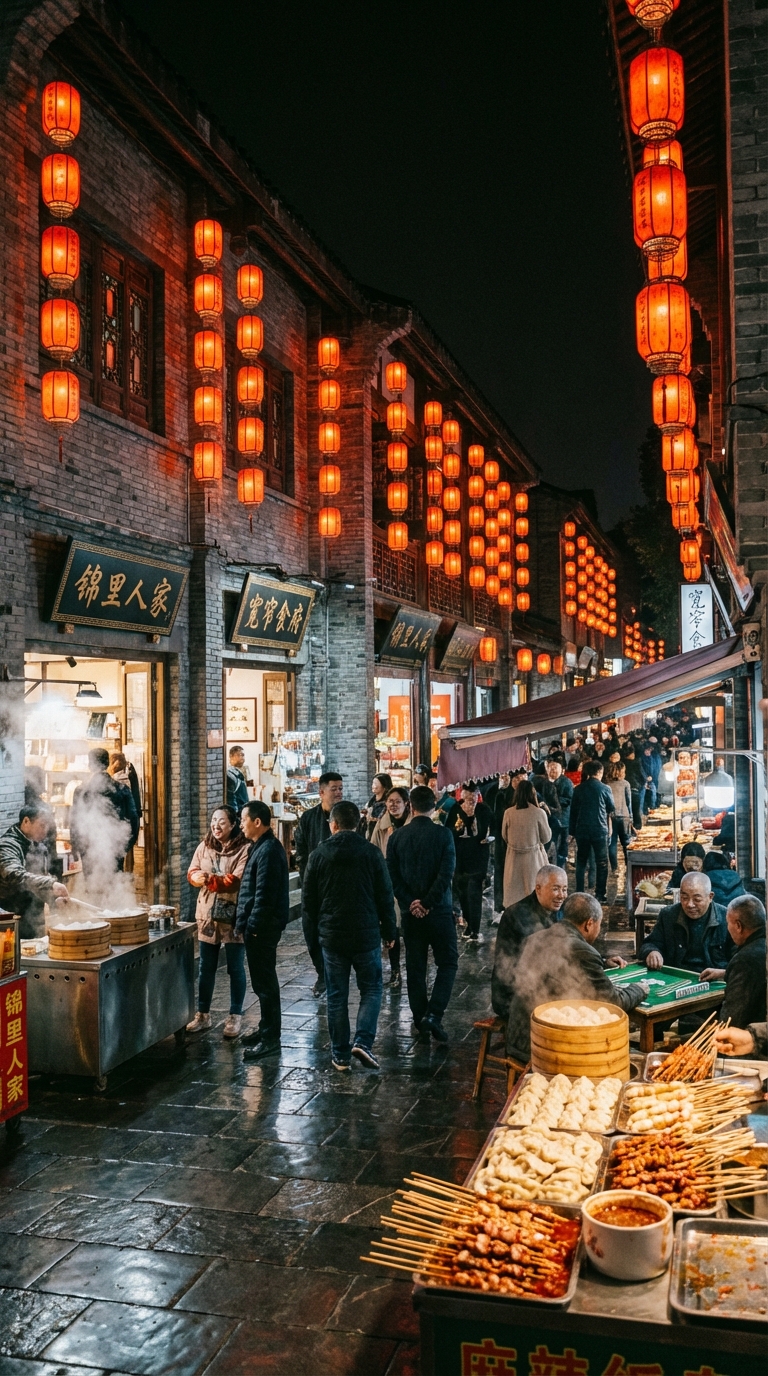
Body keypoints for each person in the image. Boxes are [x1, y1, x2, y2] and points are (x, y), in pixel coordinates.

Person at [302, 800, 396, 1071]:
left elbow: (308, 902)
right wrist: (390, 931)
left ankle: (340, 1055)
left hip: (332, 937)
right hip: (366, 934)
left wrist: (318, 933)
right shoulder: (371, 853)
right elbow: (384, 896)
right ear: (359, 824)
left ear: (333, 824)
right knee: (371, 988)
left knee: (336, 995)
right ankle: (363, 1042)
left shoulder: (318, 855)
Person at [504, 894, 649, 1061]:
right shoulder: (583, 951)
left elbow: (558, 964)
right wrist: (638, 989)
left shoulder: (536, 937)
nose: (599, 929)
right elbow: (612, 1002)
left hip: (517, 1038)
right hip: (542, 1045)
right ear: (589, 924)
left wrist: (602, 962)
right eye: (599, 924)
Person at [386, 784, 458, 1042]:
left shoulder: (396, 837)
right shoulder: (444, 835)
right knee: (447, 963)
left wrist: (411, 902)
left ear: (411, 806)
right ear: (434, 807)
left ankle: (420, 1018)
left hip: (410, 913)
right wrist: (428, 902)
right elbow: (446, 874)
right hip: (438, 912)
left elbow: (392, 876)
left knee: (415, 967)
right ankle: (434, 1014)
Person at [186, 805, 250, 1038]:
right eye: (214, 820)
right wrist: (196, 877)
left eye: (222, 821)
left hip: (232, 915)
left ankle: (235, 1015)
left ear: (233, 824)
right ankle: (203, 1014)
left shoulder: (244, 849)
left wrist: (210, 879)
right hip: (207, 915)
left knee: (235, 967)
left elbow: (235, 880)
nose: (216, 825)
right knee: (206, 968)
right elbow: (192, 870)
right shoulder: (205, 846)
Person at [235, 800, 290, 1060]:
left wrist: (253, 926)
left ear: (257, 822)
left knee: (265, 984)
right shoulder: (261, 845)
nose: (240, 825)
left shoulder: (268, 849)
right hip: (259, 927)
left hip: (263, 929)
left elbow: (264, 895)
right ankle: (265, 1028)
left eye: (244, 820)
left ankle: (271, 1038)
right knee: (262, 983)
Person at [491, 864, 568, 1022]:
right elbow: (510, 969)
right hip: (513, 997)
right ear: (538, 889)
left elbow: (571, 948)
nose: (562, 895)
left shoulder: (560, 911)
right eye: (556, 889)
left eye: (565, 889)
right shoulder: (516, 914)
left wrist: (601, 961)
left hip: (542, 989)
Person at [295, 771, 344, 996]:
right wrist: (306, 877)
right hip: (314, 887)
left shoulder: (346, 815)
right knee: (311, 931)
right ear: (321, 792)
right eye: (334, 789)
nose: (339, 793)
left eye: (341, 788)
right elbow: (302, 851)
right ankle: (322, 973)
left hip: (340, 888)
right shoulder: (308, 818)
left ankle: (334, 974)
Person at [69, 747, 139, 896]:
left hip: (89, 849)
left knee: (93, 889)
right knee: (113, 888)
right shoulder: (122, 789)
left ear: (90, 765)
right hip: (115, 849)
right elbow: (134, 821)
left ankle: (96, 918)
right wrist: (123, 848)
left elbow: (75, 822)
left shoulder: (81, 790)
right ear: (108, 764)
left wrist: (78, 847)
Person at [640, 871, 733, 974]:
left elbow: (739, 957)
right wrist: (652, 951)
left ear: (710, 897)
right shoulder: (668, 915)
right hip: (677, 976)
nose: (690, 904)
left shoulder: (726, 918)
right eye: (684, 898)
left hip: (713, 979)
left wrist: (723, 973)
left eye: (697, 899)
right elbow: (650, 943)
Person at [0, 803, 69, 936]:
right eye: (41, 825)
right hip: (10, 918)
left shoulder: (39, 847)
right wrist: (50, 883)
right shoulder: (7, 845)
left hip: (33, 918)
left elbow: (39, 881)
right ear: (26, 821)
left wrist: (53, 898)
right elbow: (14, 874)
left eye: (47, 827)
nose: (45, 831)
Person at [701, 895, 766, 1029]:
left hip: (753, 1040)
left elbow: (731, 1020)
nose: (727, 928)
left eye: (727, 923)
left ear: (738, 926)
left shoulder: (744, 960)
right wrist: (725, 973)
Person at [370, 786, 410, 988]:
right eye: (390, 801)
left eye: (398, 801)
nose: (393, 805)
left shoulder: (413, 824)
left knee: (410, 930)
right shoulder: (381, 825)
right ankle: (395, 971)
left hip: (410, 883)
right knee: (392, 928)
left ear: (406, 803)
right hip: (388, 883)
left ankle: (413, 968)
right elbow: (374, 851)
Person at [449, 783, 494, 943]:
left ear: (477, 796)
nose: (471, 801)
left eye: (473, 797)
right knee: (462, 893)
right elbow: (449, 832)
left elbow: (494, 829)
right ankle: (469, 923)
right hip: (460, 858)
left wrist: (490, 838)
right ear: (462, 796)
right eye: (467, 798)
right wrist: (459, 827)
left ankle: (475, 929)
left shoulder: (484, 810)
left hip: (478, 857)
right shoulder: (456, 810)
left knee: (474, 893)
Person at [570, 760, 614, 904]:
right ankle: (600, 894)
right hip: (599, 830)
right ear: (600, 772)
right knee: (601, 863)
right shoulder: (605, 789)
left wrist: (572, 832)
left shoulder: (578, 789)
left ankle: (579, 891)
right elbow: (611, 808)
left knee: (581, 862)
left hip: (581, 830)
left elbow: (573, 813)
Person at [501, 780, 551, 908]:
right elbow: (546, 838)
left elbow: (504, 836)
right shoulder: (538, 813)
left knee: (515, 895)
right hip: (533, 859)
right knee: (533, 893)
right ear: (532, 793)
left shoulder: (508, 813)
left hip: (513, 859)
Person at [542, 759, 573, 869]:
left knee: (563, 844)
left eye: (556, 767)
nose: (553, 770)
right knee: (549, 841)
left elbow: (569, 800)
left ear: (562, 770)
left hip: (563, 819)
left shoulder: (567, 782)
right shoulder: (545, 783)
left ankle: (561, 864)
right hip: (548, 819)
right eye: (551, 767)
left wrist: (556, 801)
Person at [605, 761, 633, 883]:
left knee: (612, 844)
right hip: (624, 816)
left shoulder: (607, 785)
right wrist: (631, 816)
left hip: (611, 817)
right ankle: (629, 865)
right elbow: (629, 801)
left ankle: (615, 868)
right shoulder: (626, 784)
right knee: (626, 843)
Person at [493, 771, 517, 913]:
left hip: (512, 838)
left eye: (507, 777)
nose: (505, 779)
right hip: (500, 838)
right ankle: (499, 903)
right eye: (502, 777)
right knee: (500, 870)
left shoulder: (516, 795)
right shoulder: (496, 793)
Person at [361, 772, 393, 839]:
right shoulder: (370, 803)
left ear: (384, 786)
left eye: (376, 784)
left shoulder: (388, 804)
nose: (373, 786)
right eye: (373, 783)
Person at [226, 746, 250, 812]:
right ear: (231, 756)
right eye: (240, 755)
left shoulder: (240, 772)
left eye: (243, 755)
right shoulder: (230, 775)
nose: (243, 758)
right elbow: (231, 799)